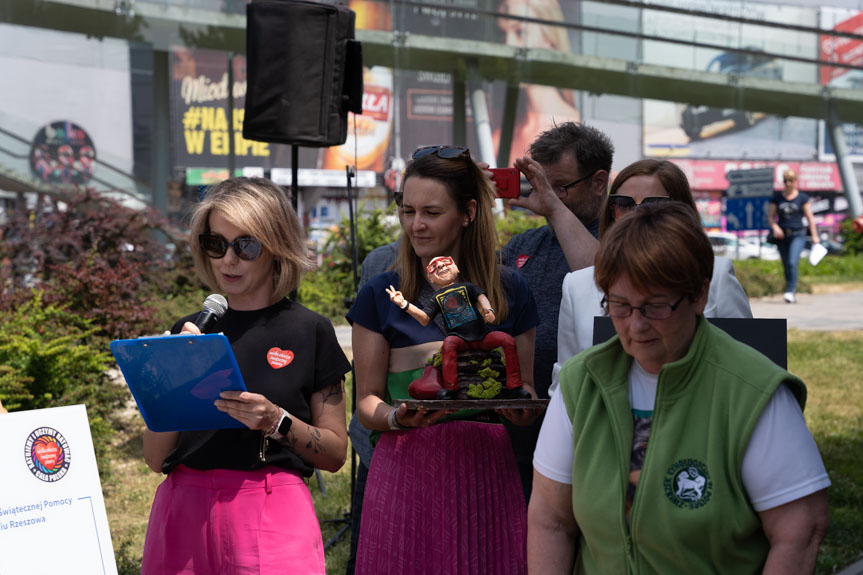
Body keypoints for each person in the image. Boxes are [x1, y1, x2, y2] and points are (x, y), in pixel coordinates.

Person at [529, 202, 831, 574]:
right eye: (620, 306)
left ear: (699, 296)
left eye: (655, 306)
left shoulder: (753, 391)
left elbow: (800, 531)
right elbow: (550, 520)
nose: (635, 326)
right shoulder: (582, 382)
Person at [141, 177, 351, 575]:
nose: (228, 260)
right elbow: (154, 458)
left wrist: (277, 421)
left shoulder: (310, 330)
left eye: (246, 245)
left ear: (276, 246)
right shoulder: (187, 331)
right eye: (216, 244)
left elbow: (336, 454)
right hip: (183, 507)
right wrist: (170, 383)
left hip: (273, 507)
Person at [348, 145, 539, 574]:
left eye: (432, 213)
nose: (416, 225)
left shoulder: (511, 291)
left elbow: (524, 393)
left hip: (486, 471)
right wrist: (398, 418)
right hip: (404, 468)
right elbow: (366, 403)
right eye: (407, 211)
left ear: (468, 213)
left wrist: (521, 405)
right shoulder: (380, 293)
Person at [552, 159, 752, 387]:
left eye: (655, 204)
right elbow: (564, 384)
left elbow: (747, 364)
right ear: (611, 211)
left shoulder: (717, 276)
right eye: (624, 204)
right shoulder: (576, 286)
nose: (637, 215)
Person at [501, 121, 613, 499]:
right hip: (519, 424)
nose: (547, 197)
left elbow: (608, 282)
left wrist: (553, 208)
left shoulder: (624, 238)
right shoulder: (524, 244)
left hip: (590, 422)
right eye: (540, 184)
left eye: (559, 187)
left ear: (599, 182)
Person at [386, 255, 528, 399]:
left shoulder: (468, 287)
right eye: (433, 266)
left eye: (445, 262)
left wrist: (488, 310)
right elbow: (424, 319)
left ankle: (515, 386)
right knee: (448, 344)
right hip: (460, 340)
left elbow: (482, 298)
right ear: (431, 278)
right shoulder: (436, 298)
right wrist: (404, 304)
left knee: (507, 340)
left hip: (483, 337)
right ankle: (451, 388)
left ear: (457, 268)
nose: (441, 266)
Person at [495, 0, 580, 167]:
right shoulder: (498, 139)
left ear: (550, 39)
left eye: (520, 32)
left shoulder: (577, 128)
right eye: (503, 35)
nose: (508, 45)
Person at [768, 169, 820, 303]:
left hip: (798, 234)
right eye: (785, 181)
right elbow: (771, 217)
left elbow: (810, 218)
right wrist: (775, 226)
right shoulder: (777, 197)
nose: (788, 183)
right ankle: (790, 290)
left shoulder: (802, 197)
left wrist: (815, 236)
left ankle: (790, 291)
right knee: (786, 265)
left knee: (792, 262)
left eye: (790, 180)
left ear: (795, 182)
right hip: (782, 236)